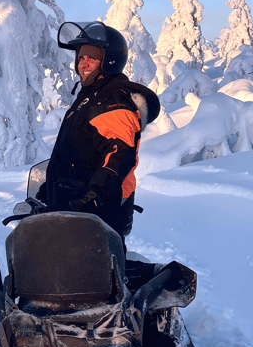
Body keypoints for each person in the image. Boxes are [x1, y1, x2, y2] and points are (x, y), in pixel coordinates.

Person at [37, 21, 160, 247]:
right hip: (73, 212)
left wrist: (94, 198)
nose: (84, 63)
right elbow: (76, 152)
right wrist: (49, 189)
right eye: (81, 56)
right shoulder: (90, 97)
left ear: (109, 60)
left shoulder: (112, 100)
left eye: (92, 57)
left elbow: (120, 154)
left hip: (95, 217)